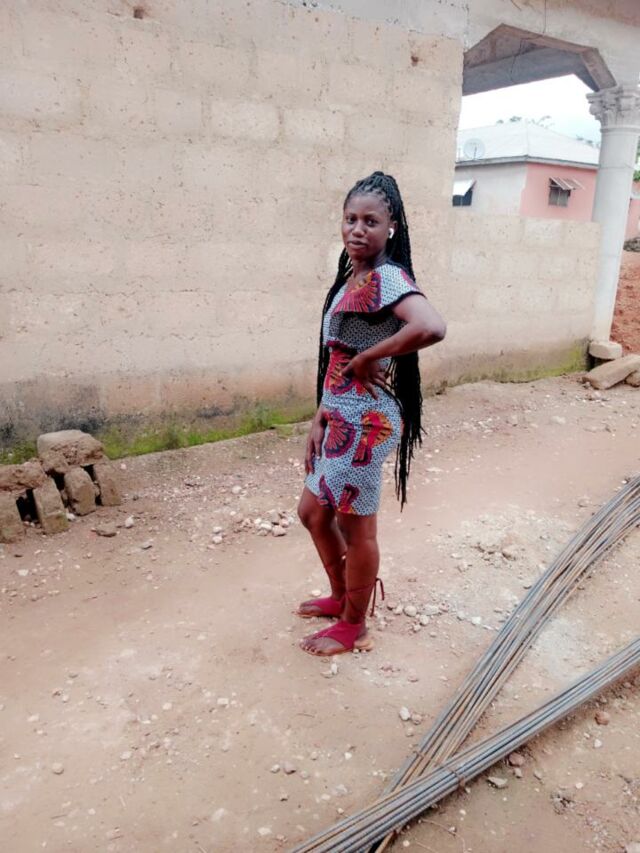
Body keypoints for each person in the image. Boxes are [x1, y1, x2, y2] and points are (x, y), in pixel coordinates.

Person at [296, 171, 447, 656]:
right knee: (312, 513)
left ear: (392, 226)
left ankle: (354, 624)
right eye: (350, 219)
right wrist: (320, 414)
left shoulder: (388, 278)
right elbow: (337, 356)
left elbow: (431, 326)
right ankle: (342, 596)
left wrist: (370, 356)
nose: (357, 229)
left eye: (371, 221)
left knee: (355, 527)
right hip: (338, 415)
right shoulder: (353, 278)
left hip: (365, 423)